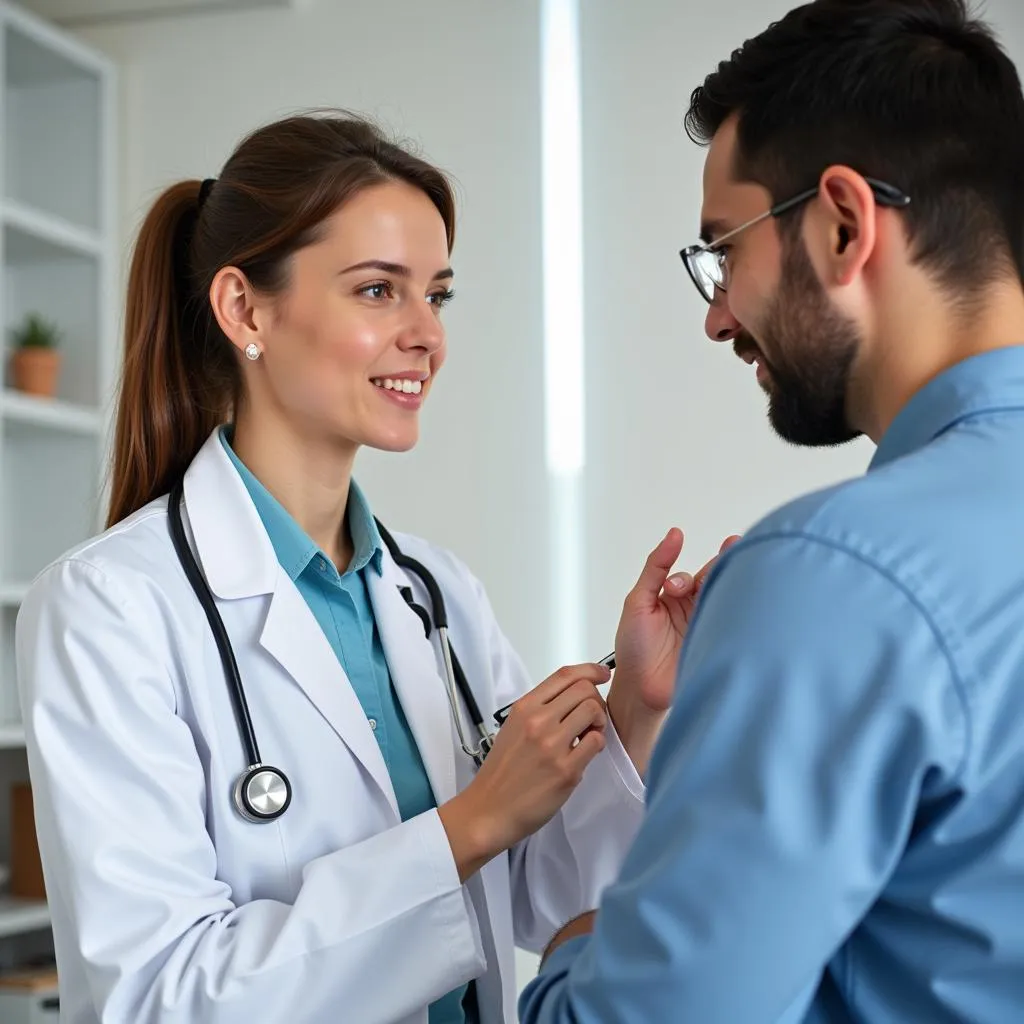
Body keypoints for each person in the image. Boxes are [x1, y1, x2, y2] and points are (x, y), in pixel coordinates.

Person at [14, 113, 724, 1024]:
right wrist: (469, 825)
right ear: (245, 310)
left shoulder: (436, 592)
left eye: (439, 294)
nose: (428, 334)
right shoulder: (108, 605)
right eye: (379, 291)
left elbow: (548, 901)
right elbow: (159, 999)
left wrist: (633, 713)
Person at [518, 1, 1024, 1021]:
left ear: (842, 223)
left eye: (723, 249)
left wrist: (579, 949)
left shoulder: (834, 573)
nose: (715, 315)